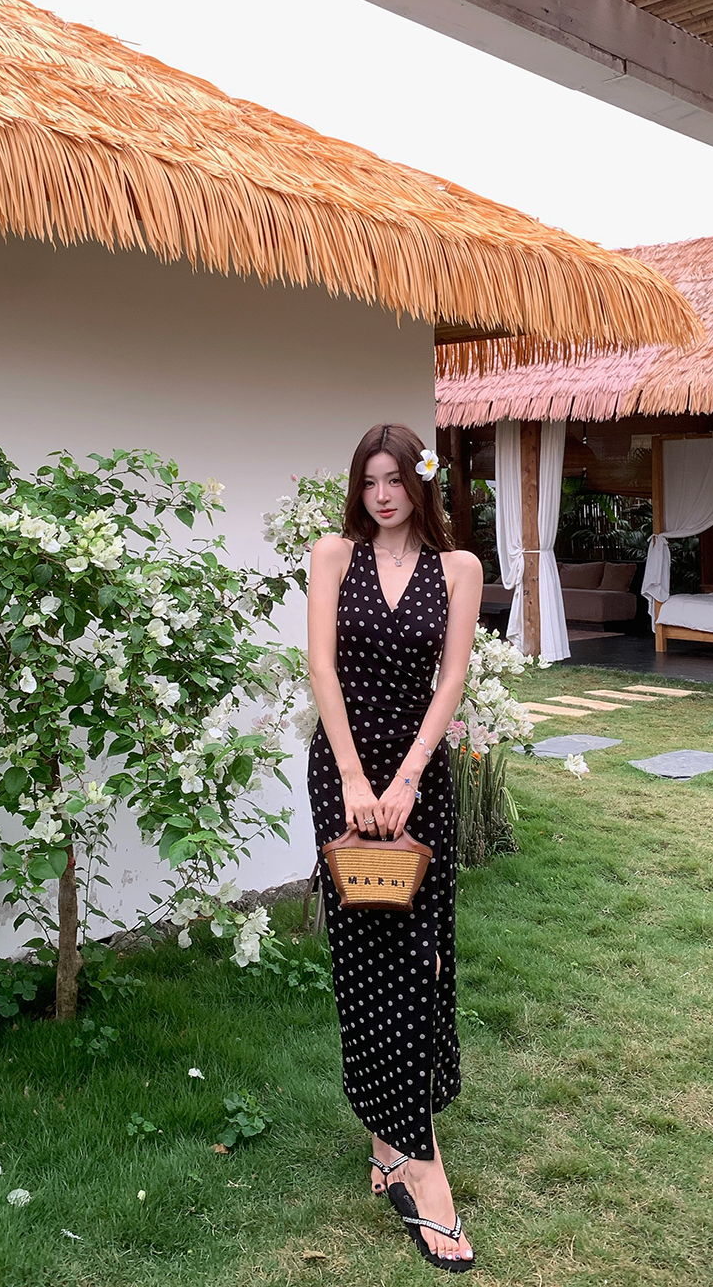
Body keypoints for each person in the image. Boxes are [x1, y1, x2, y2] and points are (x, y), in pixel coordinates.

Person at [306, 422, 483, 1271]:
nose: (382, 495)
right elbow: (323, 669)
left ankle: (409, 1149)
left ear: (421, 483)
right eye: (370, 481)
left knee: (419, 958)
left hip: (418, 782)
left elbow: (452, 678)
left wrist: (407, 778)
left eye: (396, 480)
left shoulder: (459, 568)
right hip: (344, 775)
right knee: (362, 957)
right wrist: (352, 777)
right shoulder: (332, 556)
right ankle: (405, 1155)